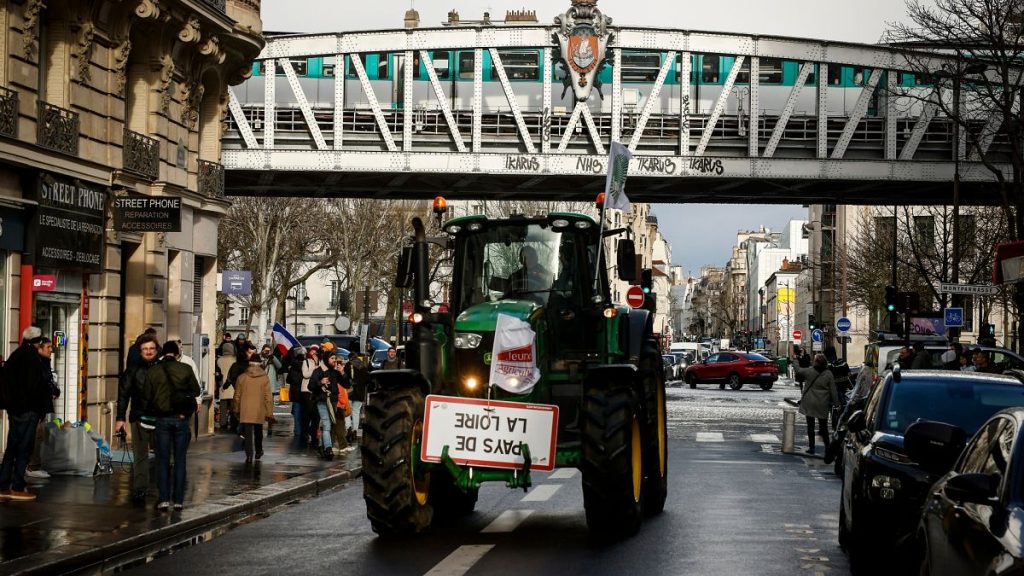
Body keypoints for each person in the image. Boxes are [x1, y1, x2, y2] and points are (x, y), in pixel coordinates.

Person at [139, 341, 201, 511]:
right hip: (181, 419)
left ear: (162, 354)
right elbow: (196, 391)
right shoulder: (185, 369)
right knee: (180, 460)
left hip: (162, 419)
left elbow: (146, 396)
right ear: (176, 354)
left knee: (163, 460)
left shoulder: (153, 371)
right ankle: (179, 500)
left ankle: (164, 498)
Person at [0, 328, 53, 501]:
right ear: (36, 342)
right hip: (27, 410)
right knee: (24, 448)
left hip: (14, 409)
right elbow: (35, 385)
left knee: (12, 447)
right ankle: (17, 485)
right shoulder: (32, 359)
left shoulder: (16, 355)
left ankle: (3, 484)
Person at [115, 332, 160, 503]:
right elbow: (123, 395)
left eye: (151, 348)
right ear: (140, 351)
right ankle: (140, 489)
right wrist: (120, 419)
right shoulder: (133, 371)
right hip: (139, 417)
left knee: (163, 455)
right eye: (145, 349)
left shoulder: (163, 368)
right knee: (140, 455)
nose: (148, 352)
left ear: (157, 350)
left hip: (160, 418)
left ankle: (163, 490)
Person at [233, 349, 274, 463]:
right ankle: (259, 451)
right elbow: (268, 397)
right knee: (258, 431)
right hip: (259, 409)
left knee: (247, 433)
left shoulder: (242, 377)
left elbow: (237, 395)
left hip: (245, 409)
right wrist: (269, 413)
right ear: (260, 364)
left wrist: (236, 409)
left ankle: (249, 455)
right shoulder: (264, 378)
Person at [796, 353, 838, 456]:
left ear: (815, 362)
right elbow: (833, 391)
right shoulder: (828, 374)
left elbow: (798, 370)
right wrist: (837, 404)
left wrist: (795, 360)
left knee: (810, 426)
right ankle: (827, 448)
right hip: (822, 403)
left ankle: (812, 447)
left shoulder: (810, 371)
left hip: (810, 402)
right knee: (823, 427)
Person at [308, 351, 341, 460]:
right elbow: (310, 385)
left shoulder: (334, 372)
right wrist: (320, 382)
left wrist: (343, 373)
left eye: (335, 358)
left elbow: (347, 383)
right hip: (322, 400)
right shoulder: (318, 371)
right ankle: (328, 448)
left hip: (333, 401)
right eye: (332, 358)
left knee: (328, 423)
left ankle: (321, 446)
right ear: (327, 359)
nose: (334, 360)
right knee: (327, 424)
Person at [300, 345, 321, 448]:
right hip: (306, 390)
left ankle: (313, 435)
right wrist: (315, 367)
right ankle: (305, 432)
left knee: (316, 415)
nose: (313, 355)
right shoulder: (306, 362)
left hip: (316, 390)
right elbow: (305, 374)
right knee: (308, 412)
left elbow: (321, 374)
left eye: (315, 353)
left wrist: (317, 364)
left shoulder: (319, 362)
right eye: (312, 353)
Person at [285, 346, 306, 441]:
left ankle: (297, 431)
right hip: (304, 393)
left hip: (295, 393)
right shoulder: (306, 368)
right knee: (304, 413)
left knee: (296, 413)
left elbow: (288, 380)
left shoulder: (293, 368)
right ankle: (304, 430)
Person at [216, 341, 237, 431]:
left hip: (222, 386)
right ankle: (233, 423)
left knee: (223, 407)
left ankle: (223, 423)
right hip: (232, 386)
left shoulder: (219, 360)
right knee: (233, 407)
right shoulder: (235, 360)